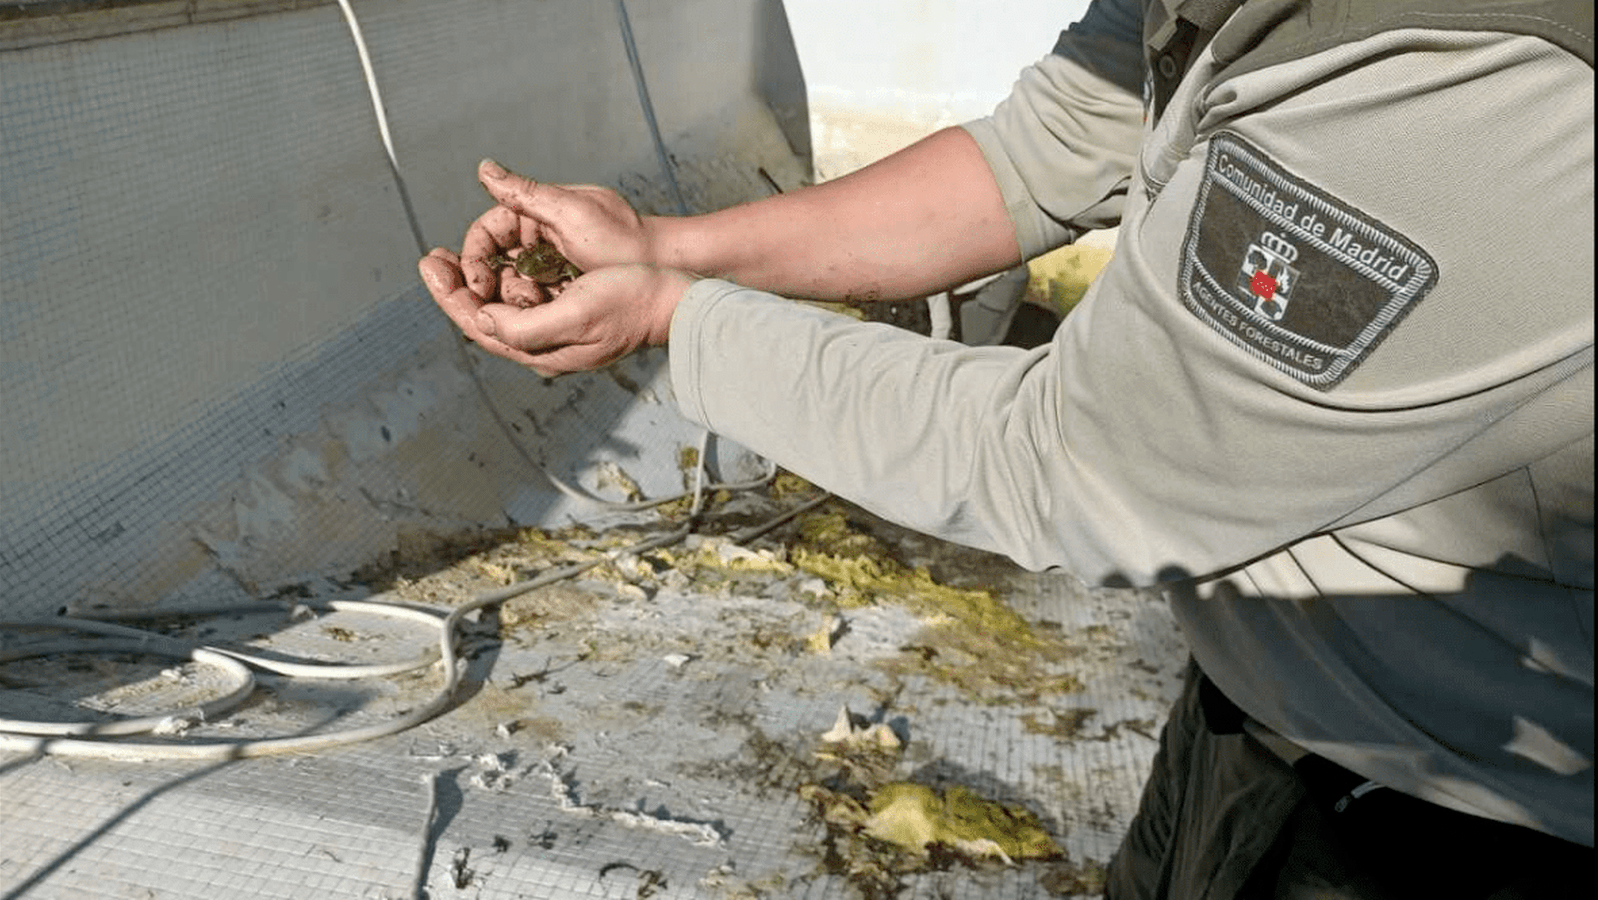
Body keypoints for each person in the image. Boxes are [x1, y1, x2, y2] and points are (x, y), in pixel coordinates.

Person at [419, 0, 1594, 896]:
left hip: (1463, 797)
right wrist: (665, 246)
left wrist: (668, 320)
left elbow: (1071, 466)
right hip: (1273, 680)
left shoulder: (1465, 83)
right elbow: (1050, 146)